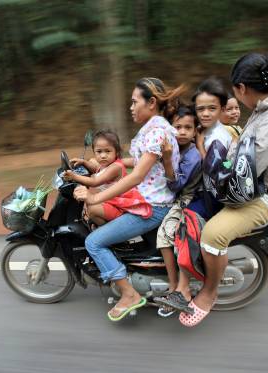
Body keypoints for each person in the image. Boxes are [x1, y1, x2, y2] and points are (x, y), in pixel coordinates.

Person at [179, 52, 268, 327]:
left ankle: (209, 293)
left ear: (242, 89)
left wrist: (212, 162)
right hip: (248, 187)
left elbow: (242, 171)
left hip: (265, 197)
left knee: (212, 235)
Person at [73, 77, 184, 321]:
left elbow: (137, 176)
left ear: (151, 102)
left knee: (93, 242)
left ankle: (128, 294)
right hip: (145, 201)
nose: (131, 107)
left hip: (151, 207)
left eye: (135, 102)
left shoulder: (156, 133)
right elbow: (134, 161)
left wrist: (95, 196)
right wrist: (99, 165)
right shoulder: (156, 129)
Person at [155, 105, 202, 300]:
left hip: (184, 200)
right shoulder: (174, 147)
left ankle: (175, 285)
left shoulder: (192, 156)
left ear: (194, 132)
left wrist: (166, 159)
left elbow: (176, 186)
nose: (182, 131)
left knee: (164, 235)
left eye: (187, 128)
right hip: (169, 195)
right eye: (178, 127)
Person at [62, 129, 152, 226]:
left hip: (120, 207)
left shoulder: (115, 167)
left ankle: (107, 232)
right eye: (99, 152)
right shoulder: (106, 165)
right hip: (112, 202)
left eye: (107, 151)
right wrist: (84, 162)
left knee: (92, 209)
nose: (103, 155)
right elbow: (97, 169)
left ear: (116, 152)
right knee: (90, 205)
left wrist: (74, 176)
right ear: (94, 152)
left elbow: (95, 181)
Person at [187, 78, 233, 220]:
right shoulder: (204, 130)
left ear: (222, 109)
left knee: (179, 219)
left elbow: (217, 171)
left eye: (212, 108)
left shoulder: (217, 137)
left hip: (211, 198)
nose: (205, 114)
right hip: (202, 191)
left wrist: (200, 146)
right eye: (200, 109)